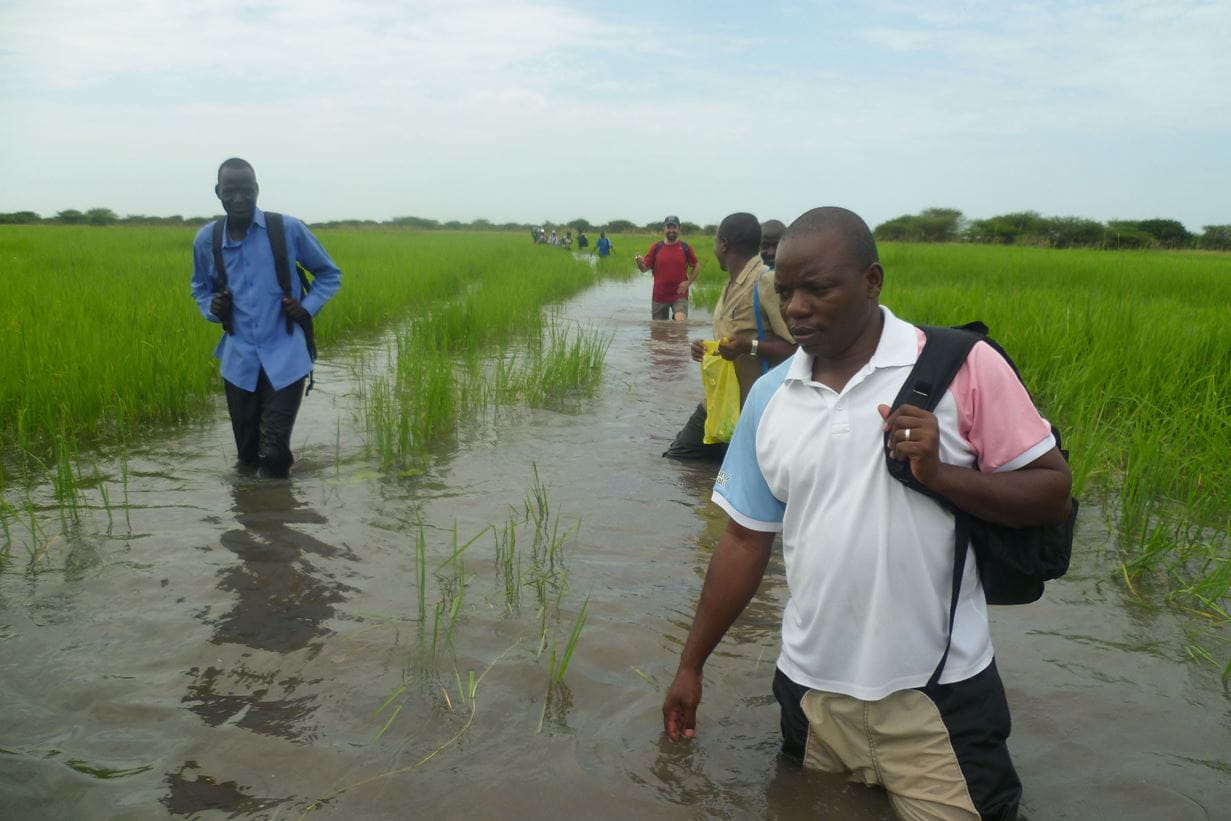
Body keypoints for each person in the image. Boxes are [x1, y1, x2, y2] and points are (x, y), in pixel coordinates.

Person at [662, 207, 1072, 820]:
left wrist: (942, 475)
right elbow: (745, 541)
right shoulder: (772, 396)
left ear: (873, 281)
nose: (797, 307)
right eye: (786, 290)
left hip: (938, 699)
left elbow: (1051, 490)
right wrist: (690, 665)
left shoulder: (963, 366)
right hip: (812, 696)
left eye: (818, 289)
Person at [191, 158, 342, 479]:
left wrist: (307, 307)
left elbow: (329, 274)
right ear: (218, 192)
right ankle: (253, 517)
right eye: (230, 191)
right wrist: (212, 307)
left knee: (273, 455)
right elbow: (200, 288)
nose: (239, 198)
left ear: (257, 189)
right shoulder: (207, 239)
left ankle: (275, 519)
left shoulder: (287, 229)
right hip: (239, 360)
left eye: (246, 190)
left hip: (286, 353)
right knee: (247, 458)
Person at [662, 213, 795, 460]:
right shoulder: (731, 283)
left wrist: (748, 346)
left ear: (723, 244)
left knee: (727, 481)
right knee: (678, 460)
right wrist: (703, 349)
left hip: (751, 409)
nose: (714, 249)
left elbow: (796, 348)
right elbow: (731, 338)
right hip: (719, 403)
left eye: (714, 242)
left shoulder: (766, 282)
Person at [636, 215, 699, 320]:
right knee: (659, 331)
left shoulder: (685, 247)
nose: (671, 230)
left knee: (680, 324)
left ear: (679, 229)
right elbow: (644, 269)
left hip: (680, 294)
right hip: (659, 296)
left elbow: (696, 266)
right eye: (668, 227)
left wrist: (688, 282)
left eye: (674, 227)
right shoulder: (656, 247)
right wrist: (639, 262)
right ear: (664, 229)